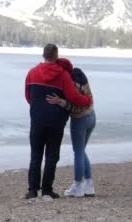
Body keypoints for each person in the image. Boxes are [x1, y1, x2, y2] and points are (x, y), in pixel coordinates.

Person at [24, 44, 93, 200]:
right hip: (56, 122)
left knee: (35, 155)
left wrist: (38, 108)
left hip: (37, 121)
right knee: (52, 156)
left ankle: (33, 191)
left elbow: (28, 96)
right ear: (56, 56)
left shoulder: (32, 73)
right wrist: (87, 99)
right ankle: (47, 191)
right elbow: (74, 97)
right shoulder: (63, 76)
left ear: (43, 55)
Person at [46, 58, 96, 198]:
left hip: (80, 119)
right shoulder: (80, 74)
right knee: (81, 151)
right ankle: (89, 185)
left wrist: (59, 101)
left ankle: (78, 186)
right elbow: (87, 98)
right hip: (92, 116)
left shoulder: (69, 83)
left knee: (78, 152)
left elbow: (75, 106)